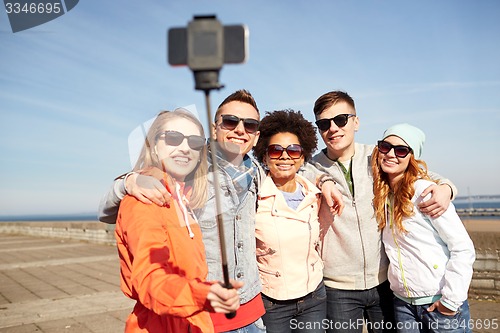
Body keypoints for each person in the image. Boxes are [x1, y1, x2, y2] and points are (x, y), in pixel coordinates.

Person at [100, 90, 267, 333]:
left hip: (252, 314)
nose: (240, 130)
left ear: (256, 135)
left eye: (249, 125)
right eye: (231, 121)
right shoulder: (191, 176)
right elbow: (149, 276)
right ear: (214, 128)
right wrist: (127, 183)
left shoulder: (258, 174)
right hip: (203, 316)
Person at [304, 91, 458, 333]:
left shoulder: (377, 155)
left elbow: (419, 173)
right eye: (324, 124)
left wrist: (447, 187)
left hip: (385, 283)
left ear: (356, 122)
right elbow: (297, 174)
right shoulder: (311, 167)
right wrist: (322, 180)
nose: (333, 128)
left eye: (341, 119)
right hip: (338, 288)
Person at [371, 123, 475, 333]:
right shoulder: (383, 194)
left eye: (401, 150)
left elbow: (463, 248)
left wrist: (450, 302)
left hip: (439, 304)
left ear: (412, 157)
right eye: (385, 146)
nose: (391, 154)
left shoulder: (425, 192)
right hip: (402, 305)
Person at [252, 110, 326, 333]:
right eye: (276, 150)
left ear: (302, 157)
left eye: (293, 150)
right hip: (273, 302)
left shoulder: (316, 194)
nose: (285, 156)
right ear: (264, 157)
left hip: (314, 296)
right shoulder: (253, 197)